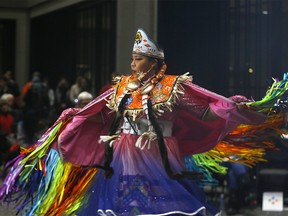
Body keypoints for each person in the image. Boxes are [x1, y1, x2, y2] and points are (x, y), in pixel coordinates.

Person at [0, 28, 287, 216]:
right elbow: (102, 112)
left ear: (152, 61)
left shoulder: (174, 87)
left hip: (159, 151)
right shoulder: (122, 86)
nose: (132, 64)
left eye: (137, 59)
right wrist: (76, 117)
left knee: (161, 203)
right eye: (132, 59)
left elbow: (203, 113)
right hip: (125, 151)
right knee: (127, 205)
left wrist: (228, 109)